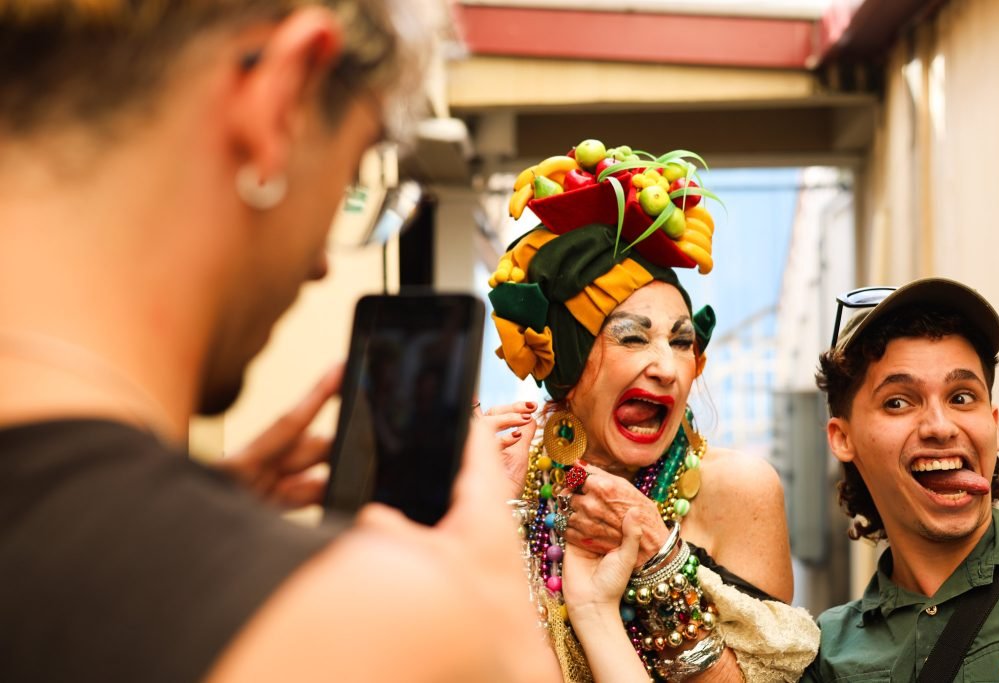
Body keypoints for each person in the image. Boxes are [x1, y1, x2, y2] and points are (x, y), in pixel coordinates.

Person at [0, 2, 559, 682]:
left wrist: (179, 534)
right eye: (351, 170)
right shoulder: (356, 635)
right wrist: (496, 627)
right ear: (282, 98)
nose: (321, 262)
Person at [480, 147, 820, 682]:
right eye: (632, 337)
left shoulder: (737, 490)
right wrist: (486, 516)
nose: (667, 367)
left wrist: (658, 557)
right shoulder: (509, 478)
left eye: (682, 342)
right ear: (567, 361)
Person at [803, 277, 999, 681]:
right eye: (898, 402)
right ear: (843, 438)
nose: (939, 427)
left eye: (961, 397)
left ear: (994, 425)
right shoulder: (824, 658)